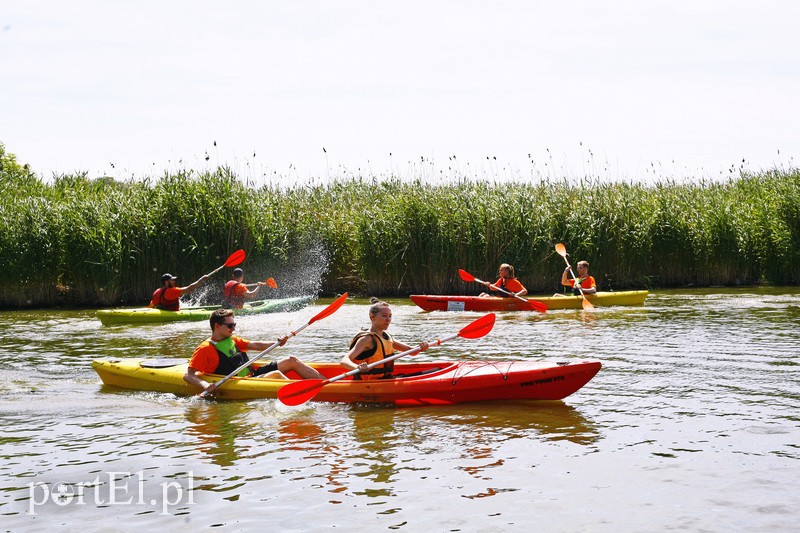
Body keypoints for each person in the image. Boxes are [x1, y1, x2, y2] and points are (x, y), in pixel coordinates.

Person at [184, 308, 324, 395]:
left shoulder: (232, 339)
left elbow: (256, 345)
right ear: (217, 326)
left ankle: (326, 384)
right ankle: (305, 394)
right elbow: (188, 375)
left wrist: (278, 342)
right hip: (240, 383)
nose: (233, 328)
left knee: (291, 360)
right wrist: (205, 385)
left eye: (234, 325)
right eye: (230, 325)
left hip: (253, 375)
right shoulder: (205, 349)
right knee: (275, 374)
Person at [341, 298, 429, 380]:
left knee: (434, 370)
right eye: (384, 316)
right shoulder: (367, 339)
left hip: (387, 378)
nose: (388, 320)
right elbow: (344, 360)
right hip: (370, 383)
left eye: (390, 316)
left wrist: (420, 347)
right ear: (372, 317)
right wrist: (357, 367)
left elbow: (411, 351)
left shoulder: (386, 337)